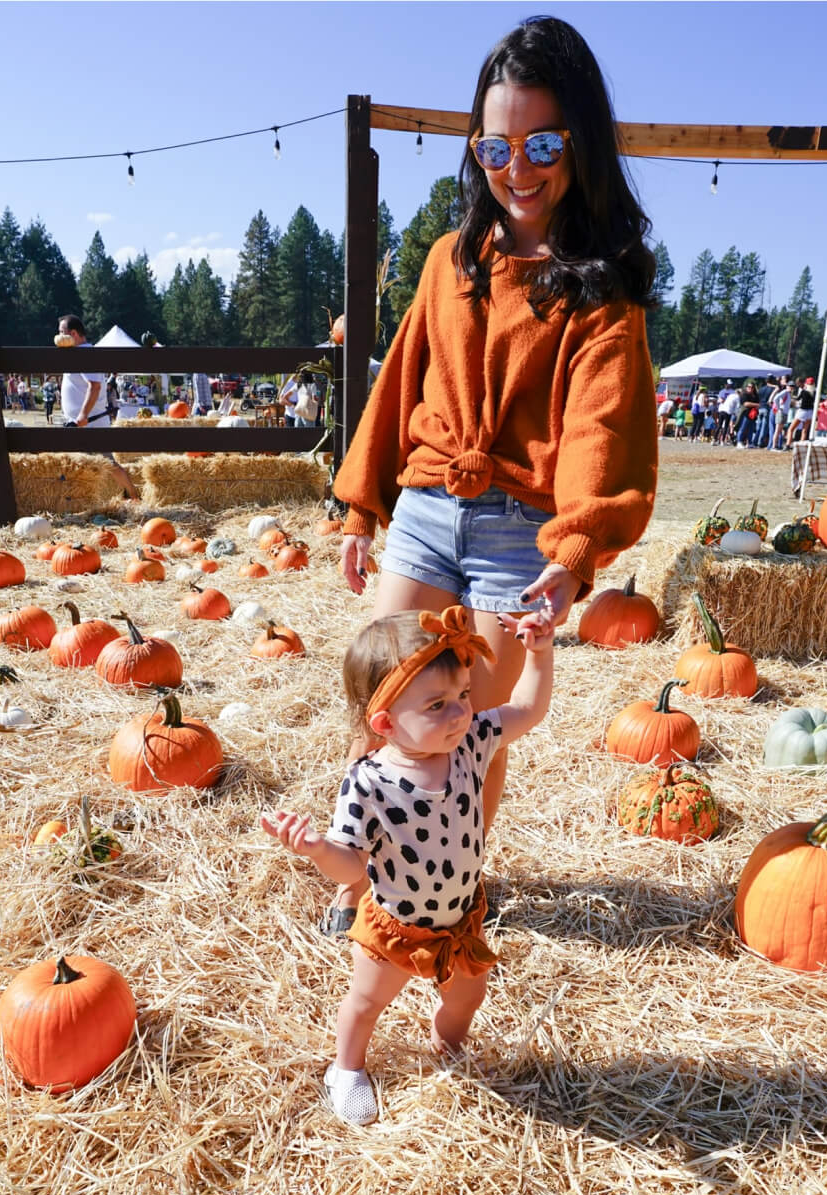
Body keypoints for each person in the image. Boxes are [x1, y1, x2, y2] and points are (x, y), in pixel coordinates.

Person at [324, 15, 657, 938]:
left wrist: (574, 547)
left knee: (470, 730)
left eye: (543, 143)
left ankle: (449, 887)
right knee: (386, 704)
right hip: (430, 510)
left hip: (521, 528)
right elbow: (401, 379)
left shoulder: (603, 288)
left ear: (579, 143)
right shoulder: (451, 259)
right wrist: (363, 504)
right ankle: (364, 878)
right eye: (497, 145)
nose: (519, 167)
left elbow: (599, 425)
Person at [261, 603, 555, 1124]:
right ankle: (346, 1069)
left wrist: (539, 653)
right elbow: (351, 867)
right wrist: (314, 850)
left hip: (459, 923)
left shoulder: (471, 745)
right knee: (366, 1003)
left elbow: (528, 710)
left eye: (463, 695)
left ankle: (446, 1050)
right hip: (395, 927)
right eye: (438, 704)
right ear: (385, 721)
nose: (461, 712)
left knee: (467, 998)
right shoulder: (368, 783)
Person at [55, 315, 138, 499]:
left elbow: (95, 386)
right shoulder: (78, 354)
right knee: (91, 463)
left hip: (89, 422)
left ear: (73, 333)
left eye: (62, 332)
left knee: (108, 464)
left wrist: (83, 415)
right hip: (81, 423)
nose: (58, 336)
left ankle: (133, 495)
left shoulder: (85, 355)